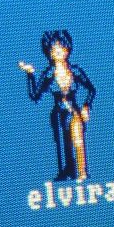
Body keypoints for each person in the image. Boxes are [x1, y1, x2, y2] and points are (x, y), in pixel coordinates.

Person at [19, 30, 96, 181]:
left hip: (74, 112)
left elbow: (91, 90)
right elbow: (35, 95)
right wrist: (30, 75)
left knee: (78, 140)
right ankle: (65, 173)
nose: (58, 51)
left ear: (67, 48)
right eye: (54, 49)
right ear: (49, 52)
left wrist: (86, 106)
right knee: (61, 143)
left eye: (61, 48)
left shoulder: (75, 71)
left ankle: (82, 172)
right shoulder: (49, 74)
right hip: (59, 113)